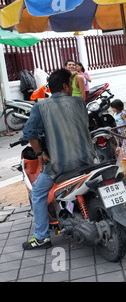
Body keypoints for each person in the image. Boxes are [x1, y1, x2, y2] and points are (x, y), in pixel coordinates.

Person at [21, 68, 96, 250]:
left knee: (38, 193)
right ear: (64, 86)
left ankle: (41, 237)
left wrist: (40, 154)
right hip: (87, 160)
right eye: (70, 84)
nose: (71, 87)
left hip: (60, 165)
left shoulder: (41, 106)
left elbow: (29, 133)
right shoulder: (79, 103)